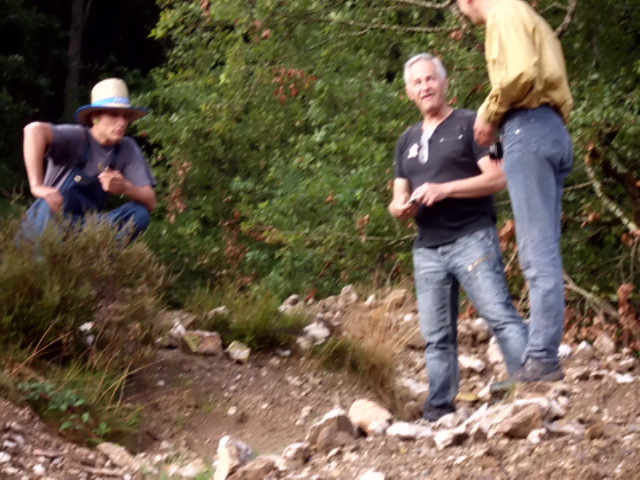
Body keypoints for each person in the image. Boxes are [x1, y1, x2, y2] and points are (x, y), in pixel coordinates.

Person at [388, 53, 528, 421]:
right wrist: (401, 207)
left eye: (430, 79)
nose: (425, 87)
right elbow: (397, 196)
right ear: (409, 92)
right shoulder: (406, 140)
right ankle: (439, 407)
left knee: (499, 315)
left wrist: (445, 189)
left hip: (472, 237)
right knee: (436, 335)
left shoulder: (470, 124)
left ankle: (532, 387)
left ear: (444, 83)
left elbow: (499, 178)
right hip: (427, 247)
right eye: (417, 82)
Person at [456, 0, 574, 382]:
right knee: (546, 248)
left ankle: (541, 359)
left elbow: (521, 73)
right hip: (552, 129)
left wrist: (488, 114)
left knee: (536, 251)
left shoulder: (503, 13)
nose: (462, 12)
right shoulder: (529, 16)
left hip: (528, 128)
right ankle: (542, 355)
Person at [19, 77, 157, 243]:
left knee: (140, 213)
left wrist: (126, 187)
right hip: (50, 220)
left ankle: (101, 256)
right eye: (114, 114)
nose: (121, 122)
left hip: (87, 228)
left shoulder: (127, 148)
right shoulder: (77, 137)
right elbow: (33, 130)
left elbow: (151, 202)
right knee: (47, 206)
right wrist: (37, 186)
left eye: (125, 116)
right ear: (94, 116)